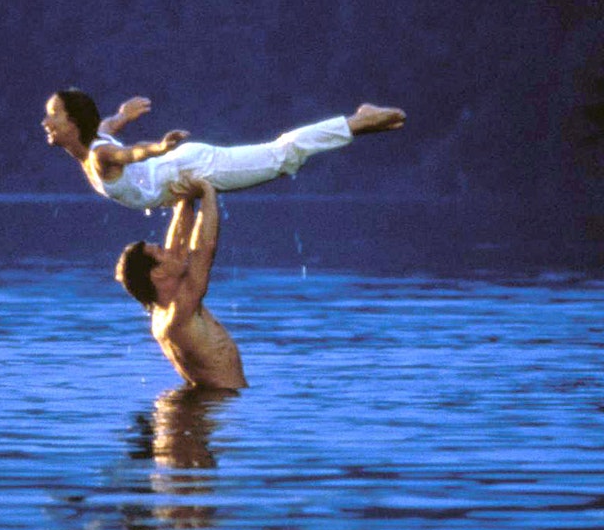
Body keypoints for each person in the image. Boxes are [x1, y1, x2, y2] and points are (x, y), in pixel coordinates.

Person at [43, 89, 406, 210]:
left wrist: (159, 147)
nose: (46, 122)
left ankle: (356, 122)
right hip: (181, 171)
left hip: (190, 168)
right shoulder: (99, 137)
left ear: (73, 123)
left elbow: (132, 153)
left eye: (53, 115)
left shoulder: (100, 156)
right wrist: (126, 113)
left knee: (279, 156)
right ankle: (355, 125)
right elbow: (111, 123)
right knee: (278, 158)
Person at [115, 176, 246, 389]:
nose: (170, 251)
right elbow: (204, 248)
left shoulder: (165, 307)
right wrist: (208, 192)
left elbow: (178, 242)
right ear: (157, 274)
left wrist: (185, 198)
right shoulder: (179, 311)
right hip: (218, 401)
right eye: (161, 251)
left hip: (197, 398)